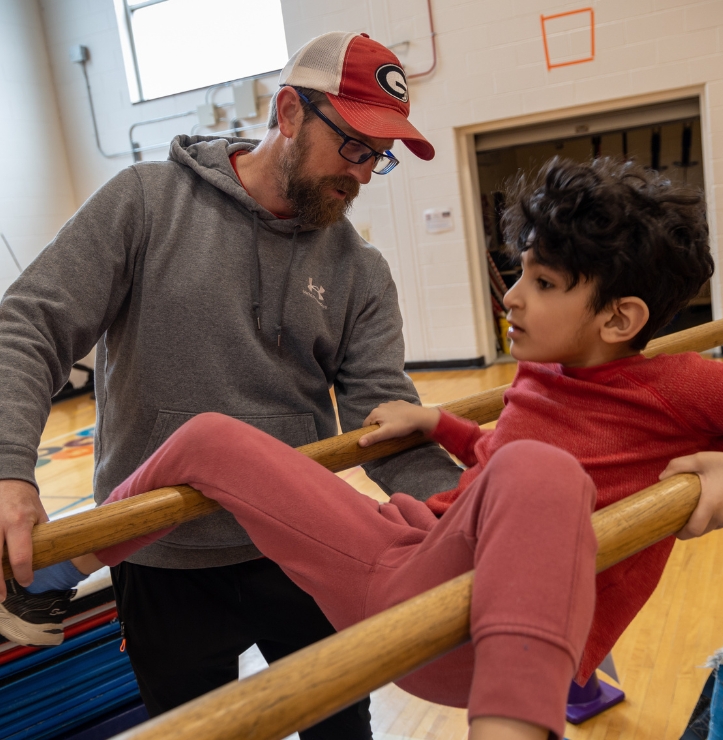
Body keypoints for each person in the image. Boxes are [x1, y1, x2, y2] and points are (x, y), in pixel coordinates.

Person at [7, 157, 723, 740]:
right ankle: (43, 581)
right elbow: (508, 453)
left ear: (620, 318)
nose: (512, 297)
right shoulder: (545, 374)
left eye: (541, 284)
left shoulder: (685, 389)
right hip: (405, 560)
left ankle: (515, 724)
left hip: (480, 626)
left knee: (541, 472)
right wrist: (443, 428)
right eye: (519, 273)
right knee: (206, 438)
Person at [0, 31, 462, 737]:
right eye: (354, 146)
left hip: (303, 551)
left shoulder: (360, 271)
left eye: (380, 157)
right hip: (159, 559)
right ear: (287, 112)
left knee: (343, 729)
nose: (363, 174)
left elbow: (386, 424)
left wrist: (459, 521)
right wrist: (9, 471)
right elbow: (29, 325)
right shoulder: (145, 204)